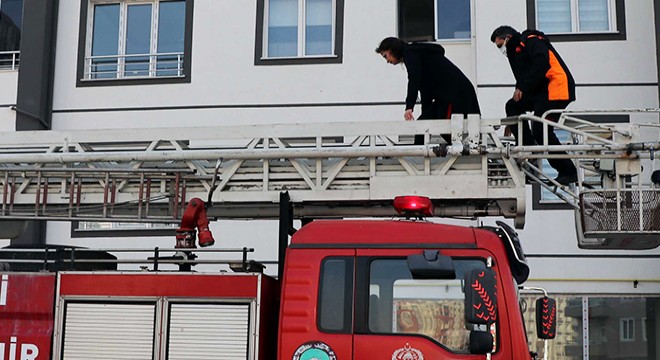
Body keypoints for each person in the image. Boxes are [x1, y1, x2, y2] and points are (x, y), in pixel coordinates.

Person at [490, 26, 578, 185]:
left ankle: (568, 171)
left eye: (500, 45)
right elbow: (523, 77)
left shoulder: (531, 41)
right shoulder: (515, 52)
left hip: (556, 88)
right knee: (512, 106)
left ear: (508, 38)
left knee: (540, 129)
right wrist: (513, 120)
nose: (500, 49)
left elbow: (541, 64)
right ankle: (528, 148)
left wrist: (522, 88)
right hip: (541, 91)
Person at [376, 37, 481, 145]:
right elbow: (425, 90)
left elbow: (414, 79)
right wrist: (425, 117)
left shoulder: (410, 53)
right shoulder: (416, 55)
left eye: (385, 56)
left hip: (456, 95)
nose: (387, 61)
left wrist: (409, 107)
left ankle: (458, 153)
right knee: (423, 126)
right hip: (450, 96)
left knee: (446, 128)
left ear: (391, 50)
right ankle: (421, 158)